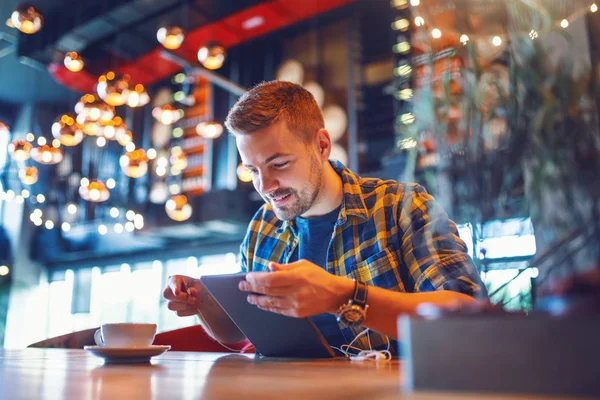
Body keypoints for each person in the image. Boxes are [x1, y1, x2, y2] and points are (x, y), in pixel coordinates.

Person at [163, 80, 487, 353]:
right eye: (252, 171)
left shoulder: (401, 206)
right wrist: (204, 303)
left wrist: (343, 296)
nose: (265, 186)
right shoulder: (263, 225)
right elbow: (236, 333)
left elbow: (467, 318)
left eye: (279, 164)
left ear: (321, 145)